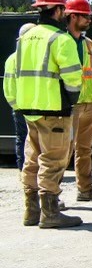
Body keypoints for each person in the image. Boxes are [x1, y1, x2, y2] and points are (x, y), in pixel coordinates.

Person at [11, 0, 83, 228]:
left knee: (32, 159)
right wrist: (71, 101)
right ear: (60, 10)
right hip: (54, 109)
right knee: (53, 160)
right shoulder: (61, 39)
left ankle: (30, 211)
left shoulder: (25, 39)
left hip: (29, 109)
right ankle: (50, 213)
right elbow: (73, 78)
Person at [64, 0, 92, 201]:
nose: (89, 20)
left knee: (84, 148)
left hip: (90, 100)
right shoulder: (61, 42)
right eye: (86, 16)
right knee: (62, 151)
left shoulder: (88, 42)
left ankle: (85, 189)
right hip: (71, 103)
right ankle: (53, 196)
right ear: (73, 16)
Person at [3, 23, 35, 171]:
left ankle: (23, 169)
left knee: (22, 138)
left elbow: (8, 85)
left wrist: (14, 103)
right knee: (33, 140)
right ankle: (30, 170)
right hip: (32, 106)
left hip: (19, 106)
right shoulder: (31, 58)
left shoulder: (11, 58)